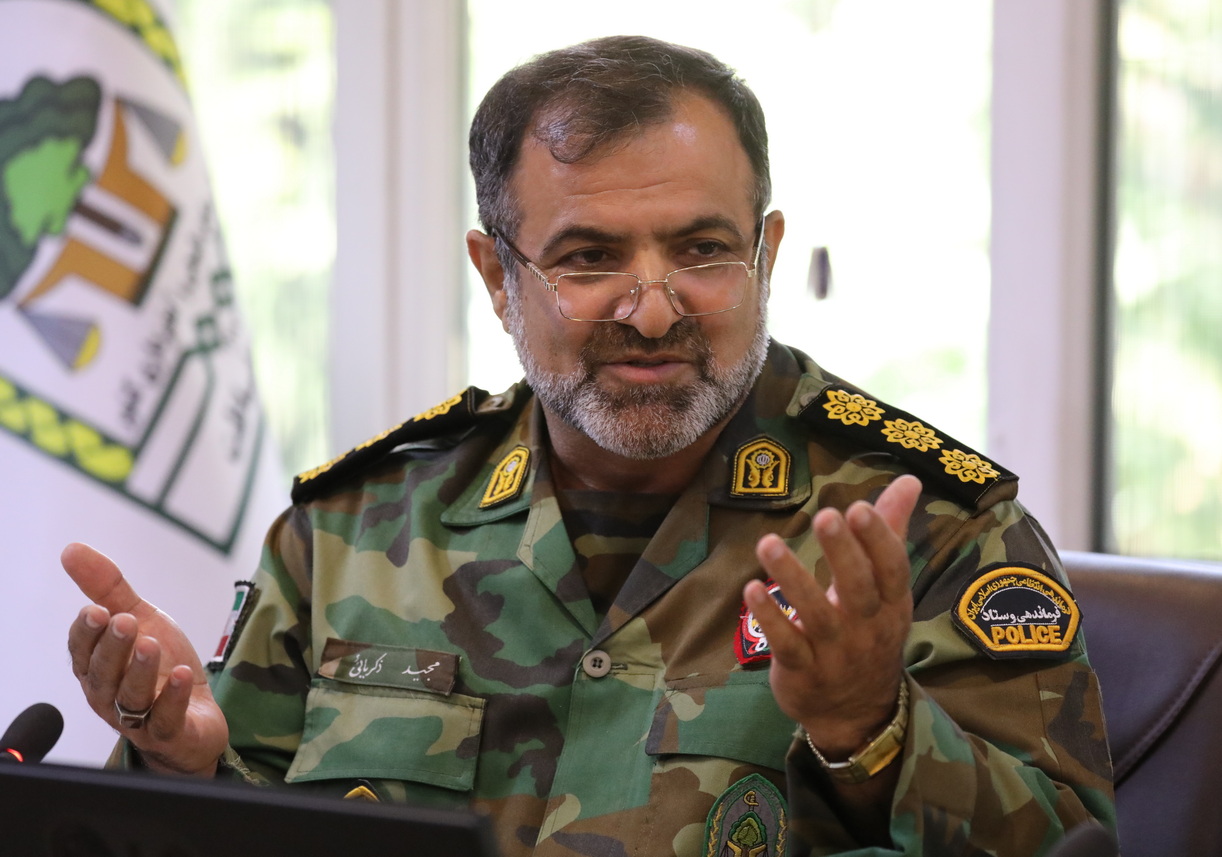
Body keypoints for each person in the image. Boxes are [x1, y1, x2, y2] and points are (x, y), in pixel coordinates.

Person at [64, 35, 1114, 857]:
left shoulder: (927, 530)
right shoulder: (349, 532)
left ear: (766, 254)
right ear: (496, 276)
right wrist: (182, 770)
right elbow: (240, 823)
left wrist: (869, 729)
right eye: (587, 258)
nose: (652, 310)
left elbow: (1069, 840)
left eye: (702, 250)